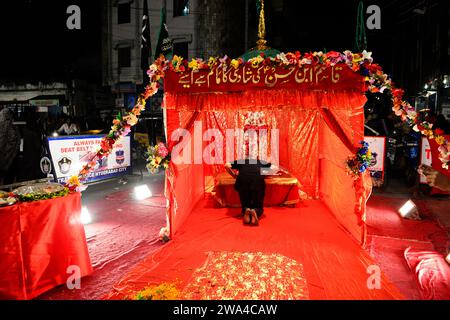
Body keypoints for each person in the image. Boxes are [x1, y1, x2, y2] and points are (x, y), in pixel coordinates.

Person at [225, 158, 278, 226]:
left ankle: (246, 209)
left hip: (243, 181)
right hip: (257, 182)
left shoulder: (242, 161)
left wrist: (234, 175)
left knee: (245, 203)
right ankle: (255, 211)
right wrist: (265, 174)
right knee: (258, 205)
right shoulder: (261, 162)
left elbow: (226, 165)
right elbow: (275, 168)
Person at [0, 108, 20, 185]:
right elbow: (17, 142)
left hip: (5, 157)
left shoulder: (7, 125)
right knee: (8, 180)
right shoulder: (13, 127)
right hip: (9, 158)